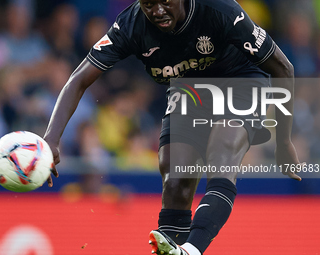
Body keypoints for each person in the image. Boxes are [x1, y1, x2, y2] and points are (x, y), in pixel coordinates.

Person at [43, 0, 304, 254]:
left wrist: (283, 142)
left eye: (166, 2)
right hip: (189, 92)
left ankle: (191, 250)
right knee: (175, 180)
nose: (157, 11)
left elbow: (283, 68)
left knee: (220, 156)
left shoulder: (221, 10)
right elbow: (78, 79)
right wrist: (51, 139)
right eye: (148, 5)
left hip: (240, 80)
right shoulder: (129, 25)